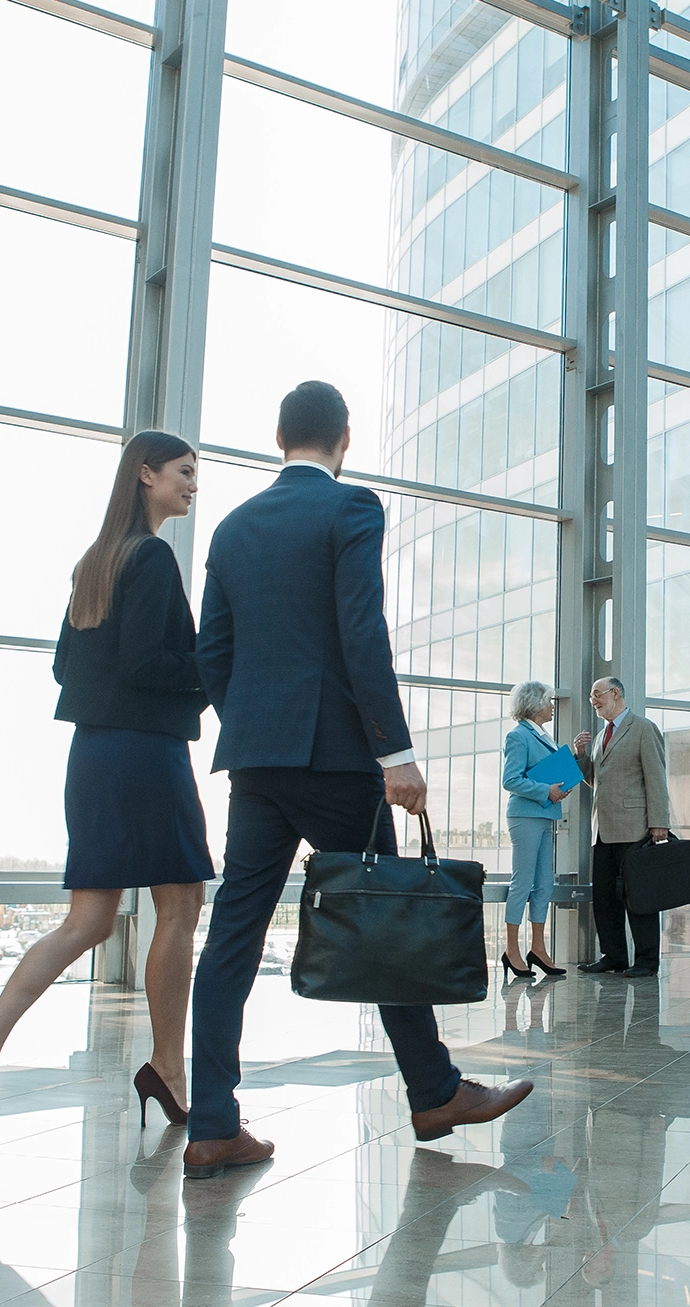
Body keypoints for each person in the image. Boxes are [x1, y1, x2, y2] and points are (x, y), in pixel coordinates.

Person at [182, 380, 531, 1178]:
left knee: (232, 935)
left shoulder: (233, 528)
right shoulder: (351, 509)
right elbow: (361, 629)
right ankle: (435, 1090)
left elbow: (213, 654)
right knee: (384, 917)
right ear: (344, 437)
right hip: (340, 758)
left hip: (258, 761)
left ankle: (211, 1121)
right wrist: (393, 751)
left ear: (278, 436)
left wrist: (259, 723)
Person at [0, 431, 213, 1142]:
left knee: (87, 921)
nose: (193, 484)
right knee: (180, 906)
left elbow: (63, 668)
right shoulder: (152, 557)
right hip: (145, 755)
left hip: (94, 757)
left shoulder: (95, 563)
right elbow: (149, 662)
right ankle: (169, 1071)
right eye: (183, 471)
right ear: (145, 474)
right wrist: (215, 667)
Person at [570, 676, 671, 979]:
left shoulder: (643, 728)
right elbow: (595, 781)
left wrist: (659, 824)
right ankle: (613, 956)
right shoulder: (602, 736)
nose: (594, 702)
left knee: (639, 897)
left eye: (596, 695)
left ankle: (646, 961)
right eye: (591, 698)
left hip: (635, 829)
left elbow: (656, 779)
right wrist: (580, 756)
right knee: (604, 897)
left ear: (615, 693)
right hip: (603, 830)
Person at [500, 679, 571, 980]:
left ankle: (538, 949)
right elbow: (510, 780)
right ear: (535, 703)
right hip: (526, 816)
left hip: (545, 815)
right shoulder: (518, 736)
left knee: (544, 883)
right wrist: (546, 790)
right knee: (523, 881)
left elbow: (547, 773)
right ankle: (512, 949)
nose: (553, 706)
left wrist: (557, 784)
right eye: (549, 701)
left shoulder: (543, 735)